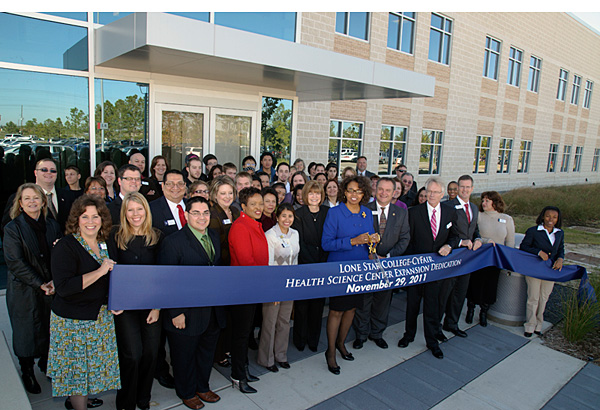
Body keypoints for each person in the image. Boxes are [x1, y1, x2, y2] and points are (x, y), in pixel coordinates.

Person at [48, 195, 119, 410]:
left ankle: (81, 399)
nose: (91, 221)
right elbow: (65, 288)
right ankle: (78, 405)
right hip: (73, 322)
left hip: (99, 318)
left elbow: (113, 279)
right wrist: (99, 271)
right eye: (85, 216)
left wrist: (116, 300)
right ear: (76, 219)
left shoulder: (105, 243)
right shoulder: (66, 245)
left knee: (91, 368)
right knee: (77, 372)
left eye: (95, 216)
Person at [158, 196, 226, 409]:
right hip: (185, 312)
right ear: (186, 215)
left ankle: (202, 386)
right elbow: (167, 280)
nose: (201, 217)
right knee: (184, 355)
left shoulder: (213, 236)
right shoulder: (173, 242)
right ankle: (186, 391)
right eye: (195, 213)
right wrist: (176, 312)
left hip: (211, 309)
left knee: (206, 353)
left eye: (205, 212)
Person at [4, 183, 62, 394]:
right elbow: (15, 262)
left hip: (51, 287)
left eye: (35, 198)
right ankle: (26, 370)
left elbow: (60, 255)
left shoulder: (52, 225)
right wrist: (40, 283)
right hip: (25, 290)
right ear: (20, 203)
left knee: (49, 329)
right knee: (25, 333)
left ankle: (47, 365)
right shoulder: (13, 228)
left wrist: (55, 280)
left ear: (43, 201)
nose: (32, 202)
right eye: (26, 198)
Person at [107, 192, 162, 410]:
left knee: (150, 353)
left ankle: (143, 398)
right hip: (125, 307)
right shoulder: (114, 235)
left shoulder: (158, 236)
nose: (135, 214)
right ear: (124, 212)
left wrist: (157, 307)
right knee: (132, 355)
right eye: (130, 210)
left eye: (139, 209)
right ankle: (126, 402)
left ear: (146, 211)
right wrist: (114, 301)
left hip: (151, 306)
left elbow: (163, 275)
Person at [397, 177, 459, 360]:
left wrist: (449, 246)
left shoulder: (450, 212)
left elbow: (455, 236)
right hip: (417, 268)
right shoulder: (414, 212)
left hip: (437, 269)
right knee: (413, 304)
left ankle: (432, 341)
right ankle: (408, 335)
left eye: (435, 192)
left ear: (442, 194)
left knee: (433, 306)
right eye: (428, 191)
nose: (431, 195)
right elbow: (408, 240)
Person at [321, 176, 378, 375]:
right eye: (351, 190)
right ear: (344, 191)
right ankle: (330, 351)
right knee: (336, 311)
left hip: (360, 269)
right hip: (340, 270)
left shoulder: (367, 213)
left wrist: (373, 244)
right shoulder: (334, 213)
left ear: (364, 194)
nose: (354, 194)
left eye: (359, 191)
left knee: (352, 309)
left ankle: (341, 344)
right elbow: (326, 244)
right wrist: (353, 241)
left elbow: (369, 240)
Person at [353, 177, 409, 350]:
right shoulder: (363, 210)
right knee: (363, 301)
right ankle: (361, 334)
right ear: (375, 190)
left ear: (394, 193)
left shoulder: (401, 213)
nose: (383, 193)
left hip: (388, 265)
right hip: (367, 263)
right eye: (380, 189)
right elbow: (357, 234)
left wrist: (390, 256)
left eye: (388, 190)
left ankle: (376, 333)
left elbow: (405, 238)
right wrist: (370, 255)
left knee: (383, 301)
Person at [228, 187, 268, 393]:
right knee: (241, 335)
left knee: (246, 332)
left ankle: (243, 369)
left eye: (260, 203)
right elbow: (246, 261)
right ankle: (238, 375)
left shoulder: (254, 224)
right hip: (243, 288)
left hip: (254, 286)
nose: (259, 208)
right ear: (243, 206)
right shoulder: (241, 227)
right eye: (254, 204)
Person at [439, 175, 482, 339]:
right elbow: (444, 233)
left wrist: (477, 239)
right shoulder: (448, 206)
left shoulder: (474, 208)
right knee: (444, 294)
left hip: (467, 258)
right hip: (451, 255)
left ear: (472, 188)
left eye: (468, 187)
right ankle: (436, 327)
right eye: (461, 187)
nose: (464, 190)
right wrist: (459, 242)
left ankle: (452, 323)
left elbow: (474, 229)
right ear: (457, 187)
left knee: (460, 292)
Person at [258, 203, 299, 372]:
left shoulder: (295, 234)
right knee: (270, 322)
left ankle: (281, 355)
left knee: (284, 321)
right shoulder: (270, 235)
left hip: (289, 285)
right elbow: (268, 263)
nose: (287, 220)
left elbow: (296, 259)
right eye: (284, 216)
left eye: (290, 216)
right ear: (277, 217)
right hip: (274, 285)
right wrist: (271, 289)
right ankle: (266, 359)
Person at [466, 191, 515, 327]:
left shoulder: (507, 219)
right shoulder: (479, 216)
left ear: (495, 202)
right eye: (483, 200)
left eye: (487, 200)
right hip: (479, 258)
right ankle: (470, 309)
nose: (484, 203)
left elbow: (510, 241)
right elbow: (473, 234)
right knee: (475, 283)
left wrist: (508, 260)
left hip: (496, 259)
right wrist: (486, 240)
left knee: (490, 286)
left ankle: (483, 312)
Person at [291, 181, 329, 352]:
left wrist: (322, 262)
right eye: (311, 193)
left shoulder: (328, 213)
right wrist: (312, 263)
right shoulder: (297, 215)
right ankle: (299, 339)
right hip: (304, 266)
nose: (314, 197)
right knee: (301, 306)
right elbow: (299, 242)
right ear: (305, 195)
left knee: (317, 306)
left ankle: (313, 340)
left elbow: (329, 238)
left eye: (318, 193)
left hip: (323, 265)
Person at [208, 176, 240, 369]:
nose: (227, 197)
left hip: (236, 269)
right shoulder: (212, 214)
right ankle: (218, 353)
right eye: (223, 193)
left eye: (230, 193)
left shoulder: (235, 210)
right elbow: (217, 246)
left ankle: (227, 348)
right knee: (220, 315)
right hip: (222, 270)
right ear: (215, 194)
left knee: (231, 314)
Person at [520, 206, 564, 338]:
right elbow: (524, 246)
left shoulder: (559, 233)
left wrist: (561, 258)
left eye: (554, 217)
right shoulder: (534, 231)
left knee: (544, 298)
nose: (550, 219)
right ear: (543, 216)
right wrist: (538, 252)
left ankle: (539, 324)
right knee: (533, 297)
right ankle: (530, 325)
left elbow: (560, 248)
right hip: (534, 268)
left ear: (557, 219)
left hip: (550, 270)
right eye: (548, 216)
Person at [2, 158, 75, 233]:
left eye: (53, 170)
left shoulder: (69, 196)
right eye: (44, 170)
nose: (49, 172)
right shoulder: (18, 197)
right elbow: (6, 228)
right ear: (35, 173)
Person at [150, 169, 187, 238]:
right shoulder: (151, 209)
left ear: (185, 185)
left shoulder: (192, 205)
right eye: (170, 184)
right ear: (163, 186)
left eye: (180, 183)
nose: (175, 187)